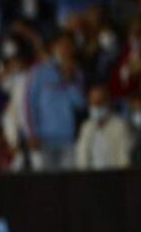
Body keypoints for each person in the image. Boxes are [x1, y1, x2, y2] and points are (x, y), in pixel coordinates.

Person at [25, 32, 85, 171]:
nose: (65, 50)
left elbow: (80, 105)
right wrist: (32, 134)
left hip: (69, 139)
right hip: (44, 138)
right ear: (54, 48)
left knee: (68, 184)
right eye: (62, 46)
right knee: (46, 185)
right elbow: (29, 105)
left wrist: (70, 80)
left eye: (69, 46)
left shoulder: (77, 73)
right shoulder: (39, 72)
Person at [75, 85, 132, 170]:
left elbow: (124, 158)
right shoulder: (86, 127)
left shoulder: (120, 126)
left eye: (100, 102)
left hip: (116, 178)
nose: (97, 106)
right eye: (93, 102)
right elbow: (82, 156)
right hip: (91, 178)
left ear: (108, 103)